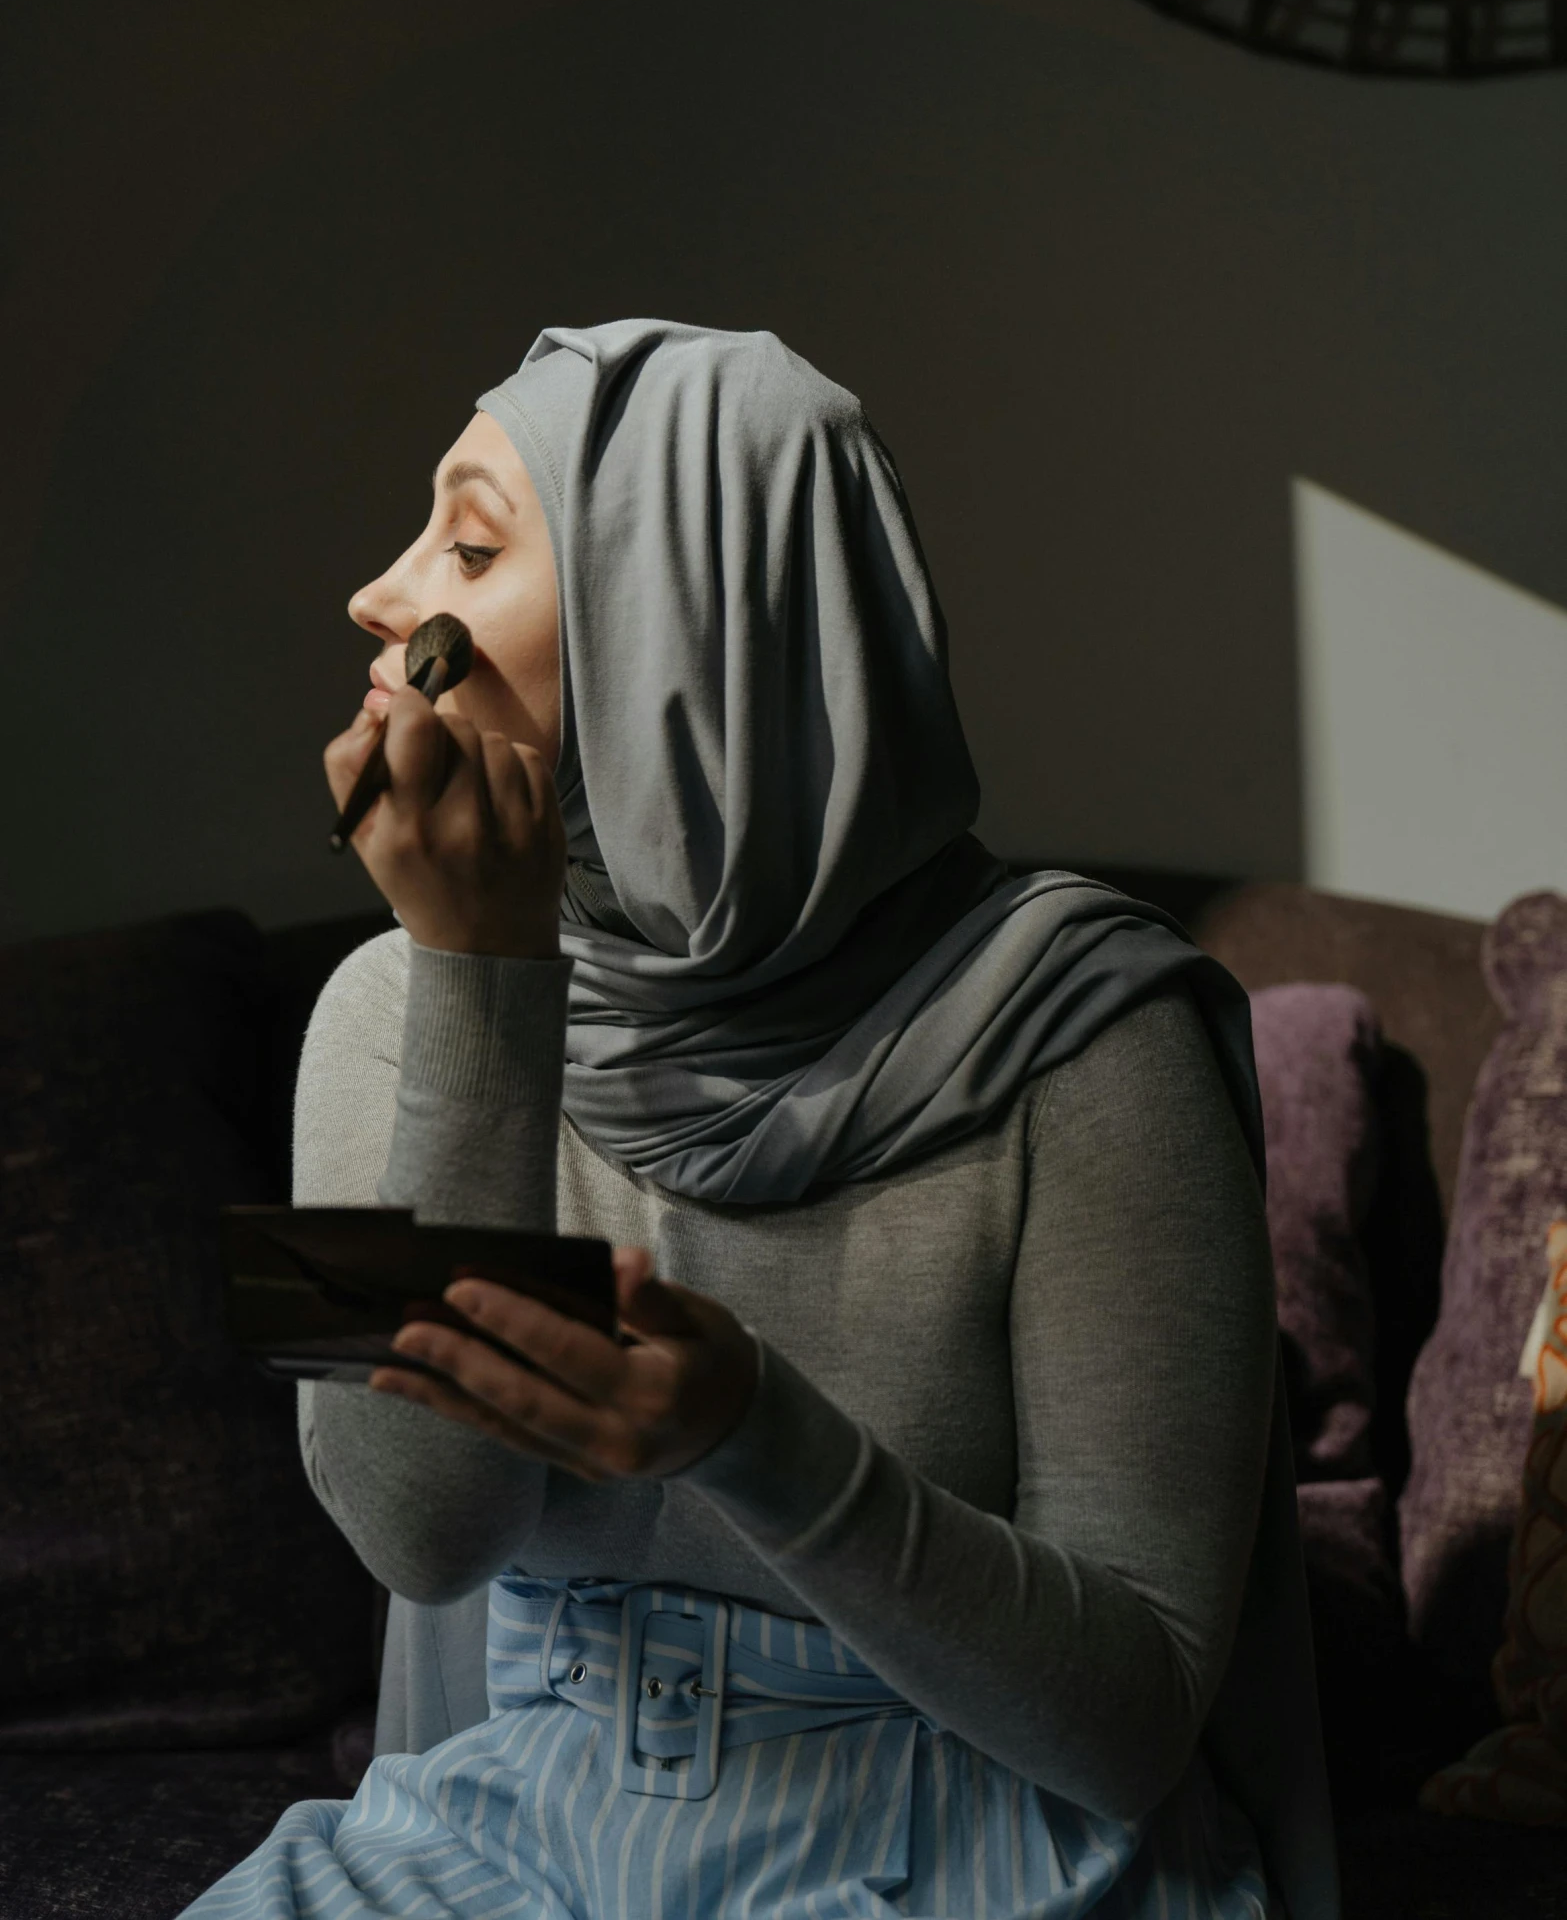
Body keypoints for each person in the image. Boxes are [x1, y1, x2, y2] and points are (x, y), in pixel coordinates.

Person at [183, 319, 1336, 1920]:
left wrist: (754, 1440)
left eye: (465, 542)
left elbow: (1133, 1719)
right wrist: (478, 983)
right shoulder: (385, 1006)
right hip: (523, 1812)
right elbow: (419, 1537)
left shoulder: (1093, 1030)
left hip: (974, 1839)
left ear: (679, 632)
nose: (380, 596)